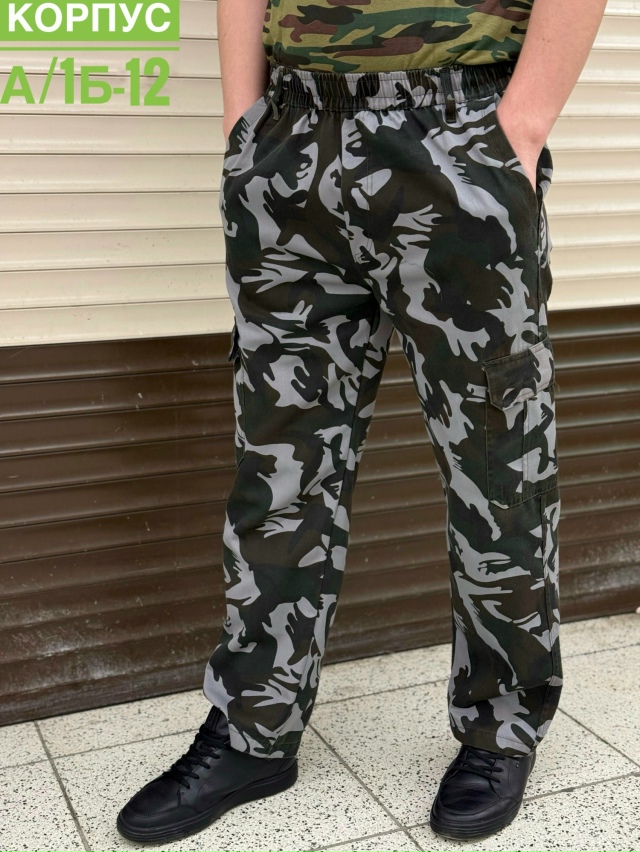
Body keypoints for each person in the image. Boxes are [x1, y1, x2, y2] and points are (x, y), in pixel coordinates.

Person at [117, 0, 609, 844]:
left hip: (456, 133)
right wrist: (244, 124)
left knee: (498, 464)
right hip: (291, 140)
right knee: (278, 466)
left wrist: (519, 128)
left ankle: (501, 727)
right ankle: (254, 729)